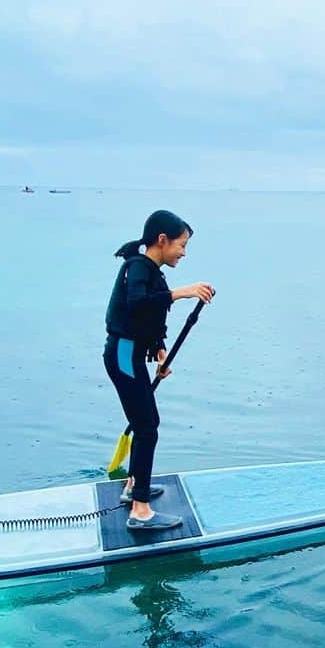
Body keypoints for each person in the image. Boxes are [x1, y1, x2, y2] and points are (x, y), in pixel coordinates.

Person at [104, 210, 215, 530]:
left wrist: (160, 352)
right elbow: (138, 303)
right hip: (124, 354)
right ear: (162, 240)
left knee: (145, 423)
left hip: (133, 353)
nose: (184, 252)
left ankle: (133, 486)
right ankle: (140, 509)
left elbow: (149, 318)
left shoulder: (153, 272)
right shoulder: (137, 267)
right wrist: (183, 292)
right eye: (181, 245)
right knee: (147, 425)